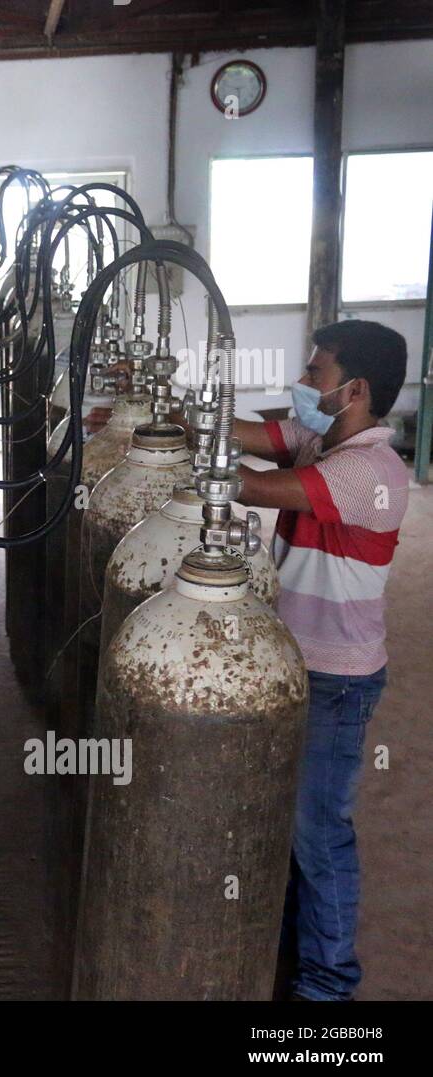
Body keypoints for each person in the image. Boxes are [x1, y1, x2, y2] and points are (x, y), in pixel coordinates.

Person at [232, 320, 409, 1002]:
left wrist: (194, 456)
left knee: (318, 831)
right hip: (294, 662)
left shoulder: (369, 471)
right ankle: (290, 953)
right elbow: (249, 436)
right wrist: (185, 413)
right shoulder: (321, 439)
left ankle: (328, 987)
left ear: (355, 390)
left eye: (315, 375)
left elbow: (251, 485)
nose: (302, 385)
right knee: (288, 823)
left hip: (336, 677)